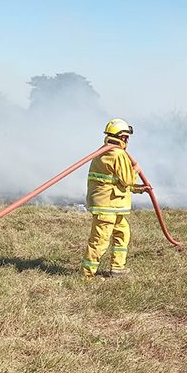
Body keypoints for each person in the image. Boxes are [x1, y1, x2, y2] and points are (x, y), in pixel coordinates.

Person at [82, 118, 149, 278]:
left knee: (122, 233)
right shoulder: (118, 154)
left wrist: (140, 189)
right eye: (127, 137)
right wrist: (136, 170)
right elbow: (127, 179)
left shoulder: (104, 151)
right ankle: (87, 275)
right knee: (100, 240)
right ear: (124, 137)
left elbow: (116, 181)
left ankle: (117, 268)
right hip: (107, 206)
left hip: (114, 204)